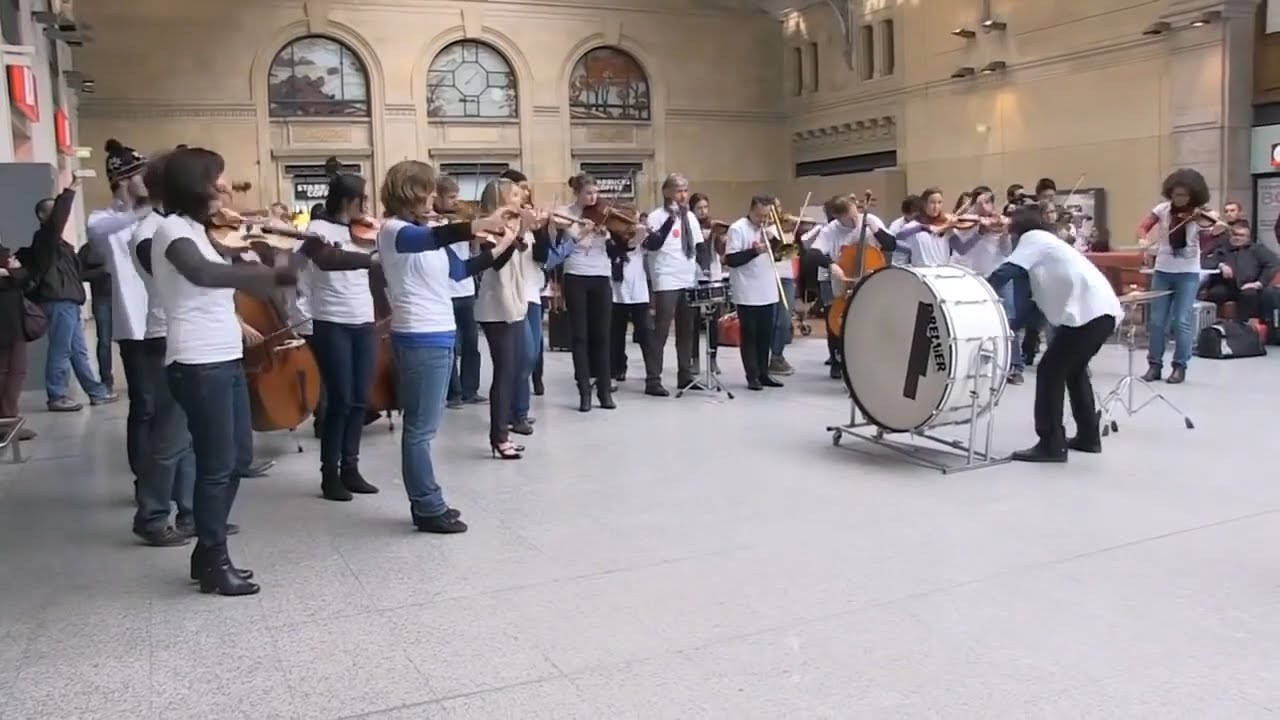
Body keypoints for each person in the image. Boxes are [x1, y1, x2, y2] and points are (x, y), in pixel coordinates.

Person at [148, 146, 299, 595]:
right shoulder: (171, 230)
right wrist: (271, 276)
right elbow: (203, 275)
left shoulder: (199, 229)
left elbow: (236, 268)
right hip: (197, 360)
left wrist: (281, 252)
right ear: (196, 184)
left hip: (224, 355)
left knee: (233, 460)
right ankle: (214, 560)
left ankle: (206, 555)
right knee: (215, 466)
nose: (225, 185)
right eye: (218, 177)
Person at [375, 160, 515, 533]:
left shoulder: (427, 232)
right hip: (419, 336)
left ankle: (429, 500)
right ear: (411, 193)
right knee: (420, 430)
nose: (433, 199)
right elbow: (432, 239)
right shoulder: (394, 231)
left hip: (436, 333)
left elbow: (461, 271)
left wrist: (504, 243)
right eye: (428, 192)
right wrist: (478, 224)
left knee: (424, 428)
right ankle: (427, 506)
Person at [986, 207, 1122, 463]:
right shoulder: (1046, 246)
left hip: (1090, 315)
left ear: (1018, 230)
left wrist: (977, 288)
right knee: (1073, 371)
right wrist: (1013, 326)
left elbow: (1006, 272)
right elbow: (1034, 303)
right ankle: (1088, 437)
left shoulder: (1034, 239)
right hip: (1099, 313)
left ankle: (1051, 444)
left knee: (1050, 370)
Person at [127, 151, 196, 547]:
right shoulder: (150, 233)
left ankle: (189, 513)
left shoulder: (176, 225)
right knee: (170, 437)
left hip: (187, 335)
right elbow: (188, 278)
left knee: (186, 437)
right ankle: (152, 515)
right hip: (167, 336)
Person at [304, 173, 382, 501]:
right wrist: (370, 259)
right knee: (340, 400)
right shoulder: (316, 229)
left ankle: (351, 468)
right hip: (331, 321)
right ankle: (329, 474)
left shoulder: (364, 229)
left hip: (363, 319)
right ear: (349, 200)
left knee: (361, 399)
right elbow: (326, 260)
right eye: (363, 199)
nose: (366, 206)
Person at [87, 138, 158, 479]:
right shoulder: (102, 221)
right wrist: (144, 210)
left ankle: (167, 477)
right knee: (144, 404)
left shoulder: (156, 218)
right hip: (134, 325)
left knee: (168, 406)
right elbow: (102, 229)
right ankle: (144, 478)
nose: (148, 181)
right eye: (142, 175)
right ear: (124, 180)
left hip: (163, 320)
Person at [30, 174, 117, 412]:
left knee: (78, 351)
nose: (62, 217)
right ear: (44, 217)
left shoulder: (59, 246)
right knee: (61, 349)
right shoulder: (45, 239)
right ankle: (56, 395)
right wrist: (71, 188)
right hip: (58, 301)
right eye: (55, 211)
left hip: (69, 302)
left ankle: (96, 391)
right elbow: (58, 219)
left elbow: (76, 274)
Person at [1137, 168, 1228, 384]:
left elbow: (1206, 242)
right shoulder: (1162, 210)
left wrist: (1216, 232)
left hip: (1187, 272)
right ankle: (1154, 365)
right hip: (1163, 270)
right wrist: (1143, 239)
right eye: (1176, 194)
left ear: (1193, 196)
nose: (1179, 199)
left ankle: (1180, 366)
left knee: (1182, 321)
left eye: (1184, 196)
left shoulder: (1200, 215)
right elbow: (1143, 227)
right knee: (1157, 321)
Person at [500, 168, 574, 434]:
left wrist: (542, 230)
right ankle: (515, 413)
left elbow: (542, 258)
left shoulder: (531, 223)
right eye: (519, 190)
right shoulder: (501, 222)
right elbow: (506, 252)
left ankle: (518, 410)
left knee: (530, 356)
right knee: (521, 356)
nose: (526, 194)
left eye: (526, 189)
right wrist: (524, 226)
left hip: (532, 293)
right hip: (512, 294)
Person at [474, 178, 530, 460]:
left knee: (516, 367)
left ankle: (503, 433)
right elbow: (498, 262)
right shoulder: (485, 228)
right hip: (495, 306)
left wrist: (525, 228)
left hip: (514, 302)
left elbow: (526, 250)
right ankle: (499, 436)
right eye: (516, 195)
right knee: (504, 371)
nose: (521, 199)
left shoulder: (512, 226)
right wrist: (513, 234)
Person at [559, 173, 617, 410]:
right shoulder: (566, 214)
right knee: (579, 336)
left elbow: (617, 249)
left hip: (601, 275)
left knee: (602, 335)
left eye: (596, 193)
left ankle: (604, 390)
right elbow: (562, 246)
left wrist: (610, 236)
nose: (593, 198)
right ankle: (584, 391)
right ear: (577, 193)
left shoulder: (605, 214)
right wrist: (583, 231)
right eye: (588, 193)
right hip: (575, 274)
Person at [724, 196, 784, 391]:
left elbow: (779, 255)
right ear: (751, 210)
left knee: (765, 335)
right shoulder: (737, 228)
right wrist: (753, 252)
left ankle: (764, 373)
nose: (762, 220)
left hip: (767, 289)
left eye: (766, 216)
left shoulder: (769, 230)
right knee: (750, 335)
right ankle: (752, 376)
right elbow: (731, 259)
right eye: (759, 215)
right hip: (747, 290)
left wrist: (776, 243)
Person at [435, 175, 485, 409]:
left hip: (466, 289)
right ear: (438, 198)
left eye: (457, 197)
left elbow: (473, 254)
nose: (456, 202)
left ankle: (470, 390)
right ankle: (453, 393)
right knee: (452, 346)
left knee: (472, 343)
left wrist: (475, 238)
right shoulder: (435, 224)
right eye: (451, 197)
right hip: (446, 291)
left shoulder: (464, 219)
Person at [1201, 219, 1280, 324]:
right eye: (1235, 234)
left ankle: (1241, 326)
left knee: (1249, 295)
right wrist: (1221, 265)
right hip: (1226, 285)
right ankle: (1212, 327)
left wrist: (1258, 283)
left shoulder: (1257, 249)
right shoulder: (1222, 248)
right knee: (1213, 294)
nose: (1237, 238)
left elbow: (1273, 264)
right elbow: (1204, 261)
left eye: (1241, 235)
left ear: (1248, 237)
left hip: (1248, 286)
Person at [0, 244, 34, 440]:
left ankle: (10, 421)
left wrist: (8, 272)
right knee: (7, 375)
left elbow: (24, 276)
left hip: (14, 324)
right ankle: (7, 424)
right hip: (6, 327)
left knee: (16, 373)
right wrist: (12, 272)